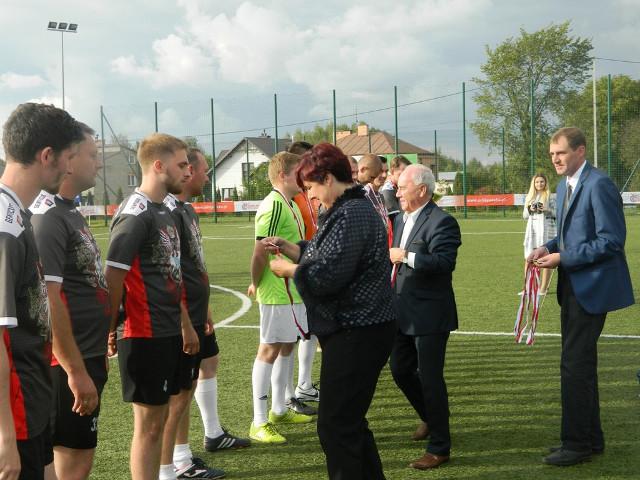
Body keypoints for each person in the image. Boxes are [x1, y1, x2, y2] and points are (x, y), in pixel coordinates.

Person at [267, 142, 396, 480]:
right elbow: (328, 253)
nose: (309, 195)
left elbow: (327, 275)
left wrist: (290, 270)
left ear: (327, 178)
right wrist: (296, 249)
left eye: (311, 187)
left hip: (358, 329)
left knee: (336, 426)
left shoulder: (351, 213)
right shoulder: (347, 208)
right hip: (361, 327)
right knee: (349, 422)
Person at [528, 127, 634, 466]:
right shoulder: (564, 185)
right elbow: (567, 236)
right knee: (579, 365)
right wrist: (548, 247)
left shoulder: (599, 184)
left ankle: (576, 446)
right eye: (552, 154)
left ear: (580, 151)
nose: (555, 159)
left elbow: (611, 241)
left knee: (574, 366)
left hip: (592, 287)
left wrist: (563, 258)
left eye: (560, 152)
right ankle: (591, 440)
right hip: (572, 287)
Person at [0, 103, 83, 479]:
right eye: (69, 157)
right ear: (47, 155)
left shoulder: (17, 215)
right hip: (14, 418)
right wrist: (5, 435)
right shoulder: (6, 228)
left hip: (30, 403)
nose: (70, 168)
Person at [105, 133, 192, 480]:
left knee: (161, 419)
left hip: (167, 330)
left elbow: (172, 274)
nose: (187, 171)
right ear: (158, 166)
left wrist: (184, 323)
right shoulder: (135, 214)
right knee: (149, 426)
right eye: (181, 164)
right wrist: (108, 329)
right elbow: (112, 277)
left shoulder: (164, 211)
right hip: (143, 333)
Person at [30, 123, 110, 480]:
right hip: (64, 361)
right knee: (71, 457)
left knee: (78, 456)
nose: (99, 163)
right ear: (69, 159)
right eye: (93, 155)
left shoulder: (68, 210)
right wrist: (75, 370)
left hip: (85, 353)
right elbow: (49, 299)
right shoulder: (47, 218)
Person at [161, 148, 240, 480]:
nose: (208, 177)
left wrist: (204, 306)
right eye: (205, 170)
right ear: (188, 171)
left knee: (196, 378)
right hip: (182, 316)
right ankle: (174, 463)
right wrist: (184, 320)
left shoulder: (187, 209)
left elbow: (194, 263)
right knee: (179, 393)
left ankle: (188, 450)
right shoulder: (168, 212)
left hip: (196, 310)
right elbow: (170, 271)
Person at [388, 164, 461, 470]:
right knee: (400, 370)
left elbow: (444, 263)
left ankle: (440, 447)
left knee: (431, 379)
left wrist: (407, 256)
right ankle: (431, 417)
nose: (397, 193)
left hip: (430, 314)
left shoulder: (443, 221)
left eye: (402, 188)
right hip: (401, 311)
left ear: (421, 190)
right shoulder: (399, 218)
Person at [246, 152, 313, 444]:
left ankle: (279, 409)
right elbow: (260, 251)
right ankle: (259, 421)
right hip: (276, 291)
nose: (303, 176)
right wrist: (255, 283)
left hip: (292, 288)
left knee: (287, 345)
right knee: (268, 350)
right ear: (284, 175)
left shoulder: (292, 204)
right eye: (299, 171)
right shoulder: (273, 205)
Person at [286, 142, 320, 415]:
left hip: (309, 267)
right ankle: (288, 397)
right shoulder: (290, 198)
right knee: (290, 338)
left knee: (309, 331)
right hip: (294, 274)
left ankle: (304, 385)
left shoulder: (304, 193)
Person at [522, 173, 556, 295]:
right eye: (537, 182)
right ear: (534, 184)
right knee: (529, 258)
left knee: (545, 259)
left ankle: (543, 289)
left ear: (545, 183)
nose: (539, 184)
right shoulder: (530, 197)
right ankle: (527, 288)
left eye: (542, 181)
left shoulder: (551, 197)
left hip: (547, 231)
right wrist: (530, 209)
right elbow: (524, 216)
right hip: (533, 232)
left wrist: (547, 210)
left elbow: (557, 214)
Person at [380, 155, 411, 222]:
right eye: (402, 173)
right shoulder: (387, 191)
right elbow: (396, 220)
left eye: (408, 173)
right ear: (392, 171)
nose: (406, 176)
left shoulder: (399, 186)